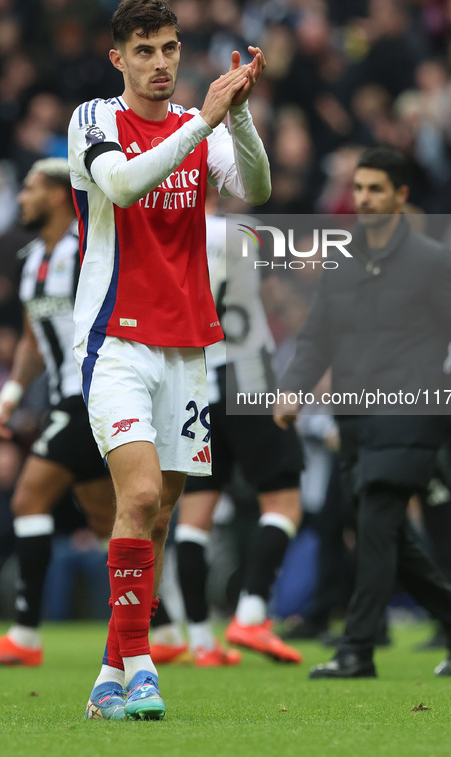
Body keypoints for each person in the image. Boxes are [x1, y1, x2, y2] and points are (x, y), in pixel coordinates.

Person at [68, 0, 270, 720]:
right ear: (119, 57)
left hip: (187, 348)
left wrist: (237, 114)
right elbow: (121, 183)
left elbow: (256, 187)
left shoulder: (196, 124)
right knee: (143, 495)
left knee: (155, 518)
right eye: (145, 52)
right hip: (115, 341)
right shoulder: (94, 119)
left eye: (170, 50)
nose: (160, 64)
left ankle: (107, 677)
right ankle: (145, 666)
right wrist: (206, 124)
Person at [274, 146, 451, 679]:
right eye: (358, 188)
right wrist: (293, 389)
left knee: (376, 516)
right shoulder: (341, 261)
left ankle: (357, 649)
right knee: (383, 531)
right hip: (354, 417)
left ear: (401, 195)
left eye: (376, 189)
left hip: (413, 411)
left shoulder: (432, 262)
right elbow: (317, 337)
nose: (364, 198)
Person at [0, 158, 115, 667]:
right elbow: (31, 337)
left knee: (28, 499)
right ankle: (161, 620)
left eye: (28, 189)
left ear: (53, 194)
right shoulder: (32, 259)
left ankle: (25, 636)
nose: (20, 198)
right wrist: (9, 396)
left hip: (89, 395)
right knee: (109, 520)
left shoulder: (86, 251)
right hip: (60, 398)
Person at [151, 204, 304, 667]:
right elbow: (279, 290)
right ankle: (251, 613)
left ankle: (201, 641)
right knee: (283, 501)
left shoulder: (165, 231)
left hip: (195, 381)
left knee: (196, 515)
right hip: (247, 372)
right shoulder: (246, 231)